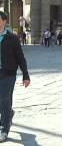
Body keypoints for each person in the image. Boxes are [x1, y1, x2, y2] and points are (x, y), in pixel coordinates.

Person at [0, 11, 30, 142]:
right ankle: (9, 114)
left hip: (8, 73)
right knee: (4, 101)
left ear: (4, 21)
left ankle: (4, 129)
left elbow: (20, 58)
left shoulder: (12, 38)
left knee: (4, 99)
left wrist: (26, 75)